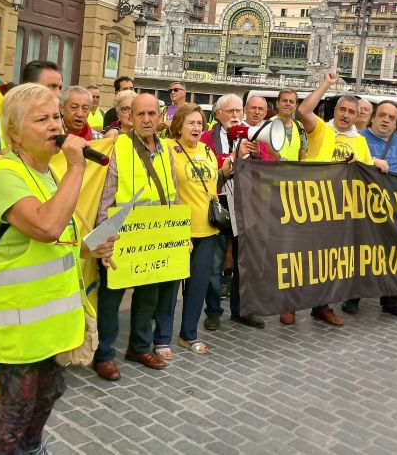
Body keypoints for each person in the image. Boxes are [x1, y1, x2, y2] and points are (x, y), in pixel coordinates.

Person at [0, 83, 115, 455]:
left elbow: (53, 239)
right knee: (13, 418)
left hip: (46, 326)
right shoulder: (6, 175)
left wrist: (89, 248)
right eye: (41, 119)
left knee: (49, 393)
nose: (55, 126)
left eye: (55, 117)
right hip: (17, 328)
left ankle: (33, 450)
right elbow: (46, 225)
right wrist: (77, 164)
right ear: (14, 132)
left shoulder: (47, 173)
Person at [93, 93, 179, 380]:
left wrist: (179, 233)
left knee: (148, 295)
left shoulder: (166, 149)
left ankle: (140, 347)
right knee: (111, 296)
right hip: (122, 234)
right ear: (129, 117)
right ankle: (104, 354)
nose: (146, 119)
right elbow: (107, 194)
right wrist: (103, 238)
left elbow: (172, 193)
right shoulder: (120, 146)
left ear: (159, 116)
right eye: (139, 114)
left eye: (151, 114)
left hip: (155, 234)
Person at [292, 71, 373, 326]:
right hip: (310, 205)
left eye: (351, 111)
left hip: (338, 210)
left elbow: (367, 175)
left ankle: (322, 306)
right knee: (300, 259)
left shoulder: (360, 143)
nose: (346, 115)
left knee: (328, 262)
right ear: (335, 110)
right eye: (342, 109)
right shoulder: (321, 130)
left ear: (357, 115)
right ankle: (289, 305)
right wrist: (327, 83)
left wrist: (368, 164)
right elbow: (304, 110)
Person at [153, 104, 232, 357]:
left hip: (207, 230)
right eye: (191, 123)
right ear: (178, 125)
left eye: (200, 123)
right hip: (178, 229)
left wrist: (223, 173)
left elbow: (208, 185)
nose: (197, 128)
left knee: (198, 286)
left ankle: (189, 334)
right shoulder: (166, 148)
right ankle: (162, 337)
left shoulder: (208, 151)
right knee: (170, 288)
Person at [341, 100, 397, 321]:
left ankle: (392, 300)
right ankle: (353, 296)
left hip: (393, 210)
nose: (386, 120)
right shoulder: (358, 139)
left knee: (395, 256)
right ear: (372, 117)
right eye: (382, 115)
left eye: (391, 118)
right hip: (362, 209)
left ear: (396, 124)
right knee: (361, 254)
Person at [200, 93, 268, 331]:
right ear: (218, 114)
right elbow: (205, 170)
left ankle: (242, 310)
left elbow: (269, 168)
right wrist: (233, 158)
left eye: (239, 111)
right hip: (219, 204)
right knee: (216, 263)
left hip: (247, 204)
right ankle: (214, 312)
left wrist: (260, 156)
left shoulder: (254, 135)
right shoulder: (207, 137)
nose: (236, 116)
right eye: (230, 112)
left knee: (245, 262)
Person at [272, 89, 307, 161]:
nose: (288, 104)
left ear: (296, 106)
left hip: (294, 172)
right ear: (277, 104)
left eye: (291, 102)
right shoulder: (268, 125)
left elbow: (302, 153)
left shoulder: (299, 126)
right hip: (274, 171)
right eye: (284, 101)